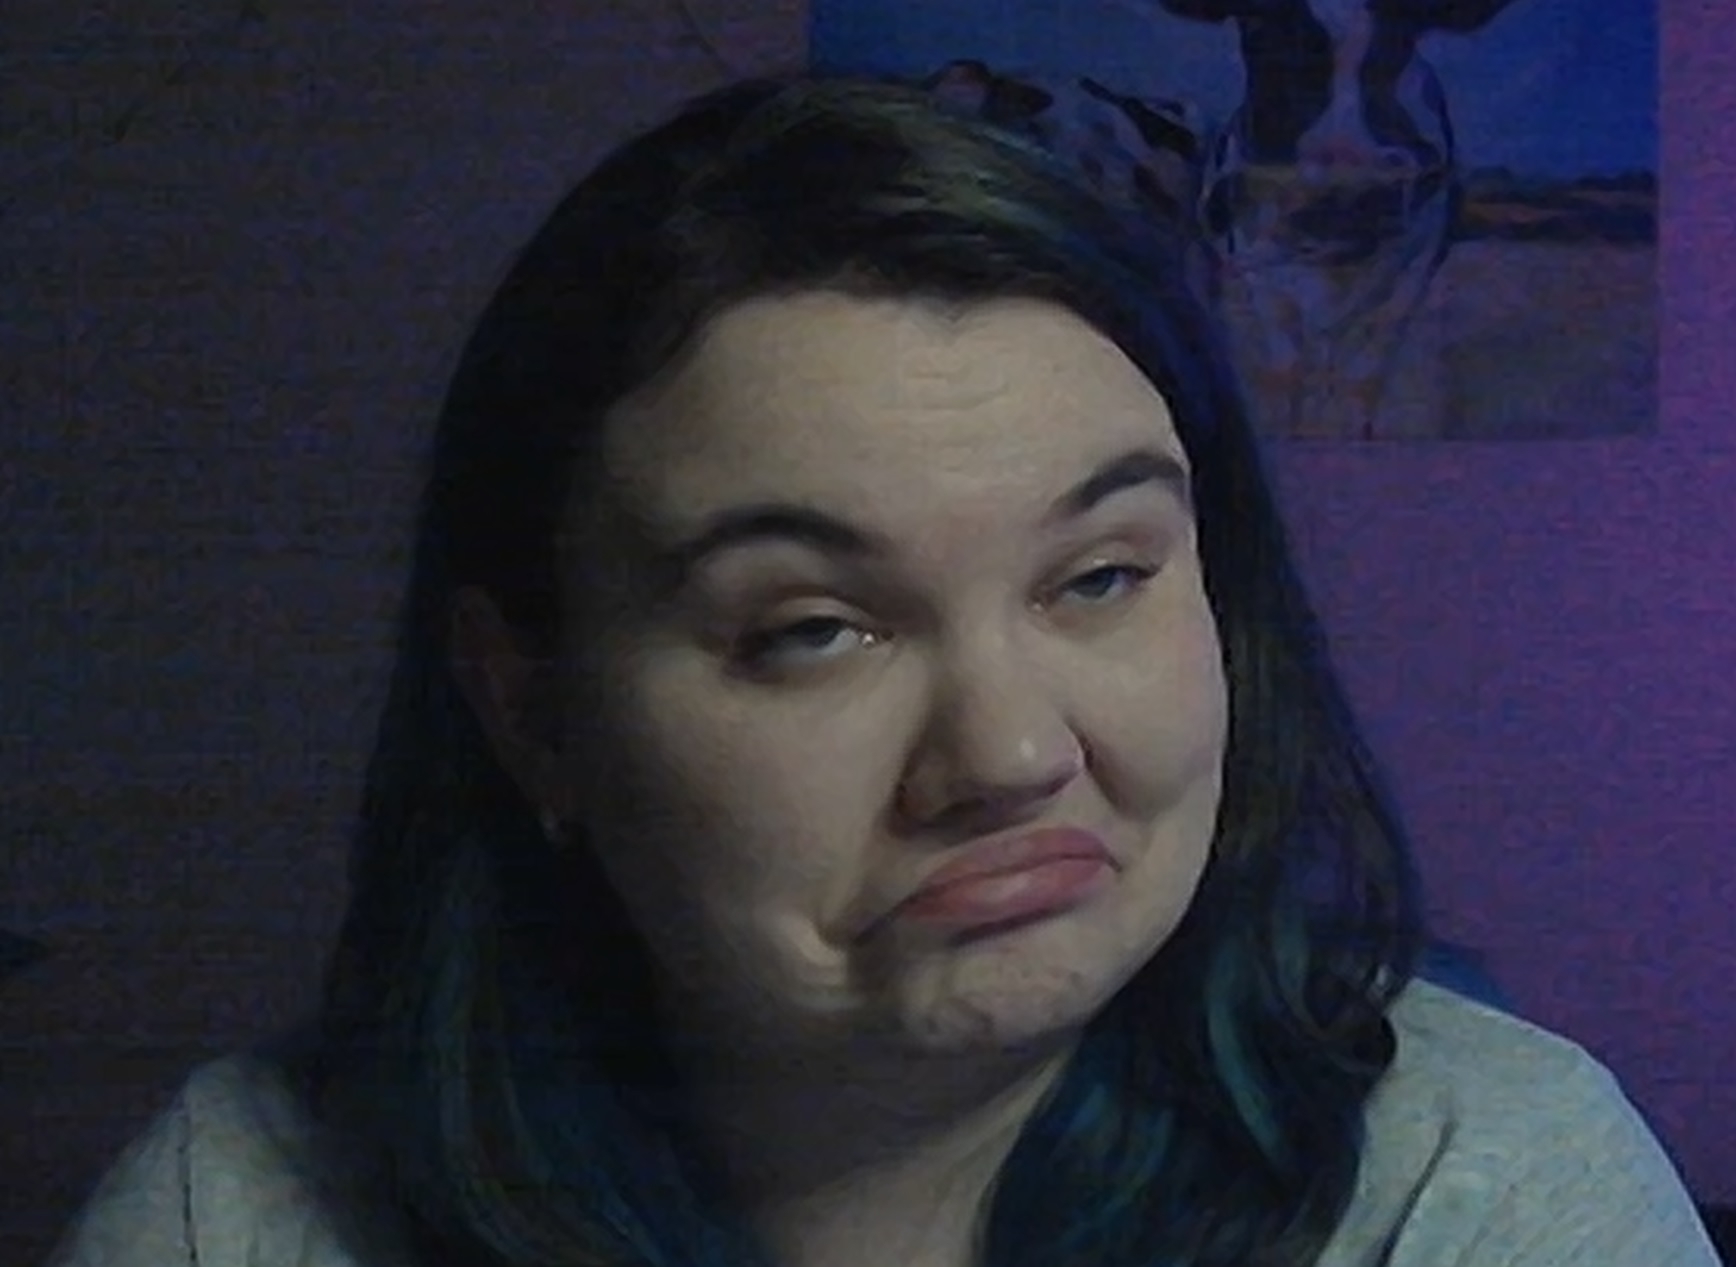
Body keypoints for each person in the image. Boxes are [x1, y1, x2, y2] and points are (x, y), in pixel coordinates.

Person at [45, 71, 1717, 1267]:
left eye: (1100, 578)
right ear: (533, 708)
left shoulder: (1485, 1191)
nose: (1007, 754)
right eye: (812, 630)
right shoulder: (241, 1213)